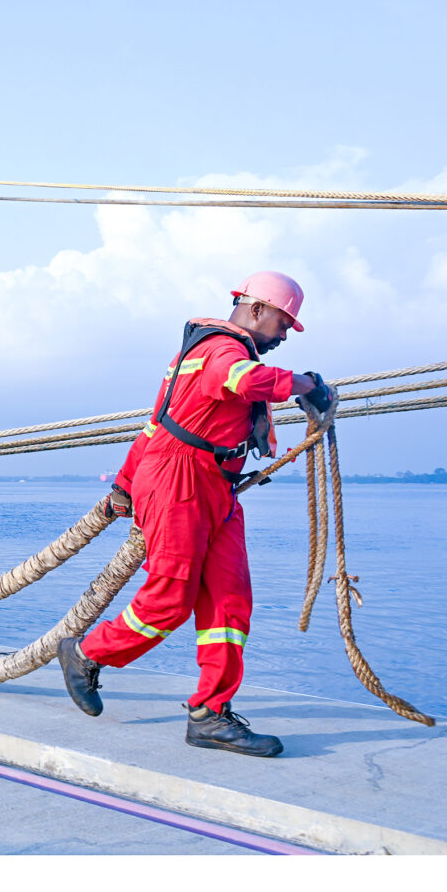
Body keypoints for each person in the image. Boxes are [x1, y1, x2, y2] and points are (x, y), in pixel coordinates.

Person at [58, 271, 336, 757]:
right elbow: (241, 382)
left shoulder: (207, 351)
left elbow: (155, 425)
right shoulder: (220, 351)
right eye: (284, 322)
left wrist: (125, 484)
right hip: (180, 482)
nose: (286, 334)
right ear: (255, 310)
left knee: (230, 602)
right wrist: (304, 383)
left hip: (213, 487)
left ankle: (210, 715)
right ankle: (84, 654)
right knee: (169, 599)